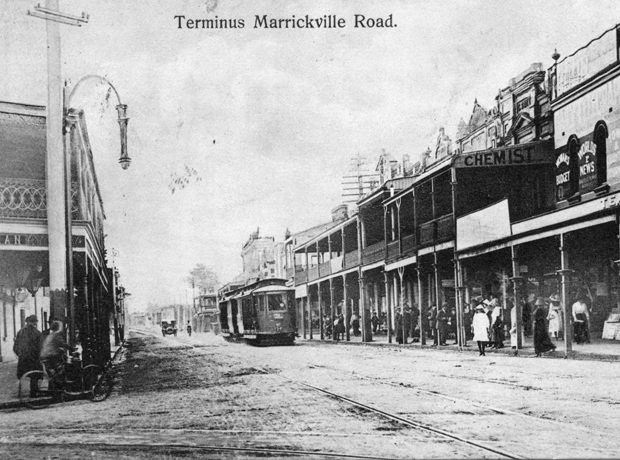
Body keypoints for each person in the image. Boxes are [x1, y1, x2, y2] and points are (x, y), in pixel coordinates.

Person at [13, 315, 42, 397]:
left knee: (22, 376)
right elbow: (40, 348)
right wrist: (39, 357)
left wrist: (21, 355)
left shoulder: (20, 332)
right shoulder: (37, 333)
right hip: (33, 360)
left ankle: (20, 393)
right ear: (35, 323)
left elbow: (15, 347)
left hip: (23, 360)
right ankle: (33, 393)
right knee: (36, 374)